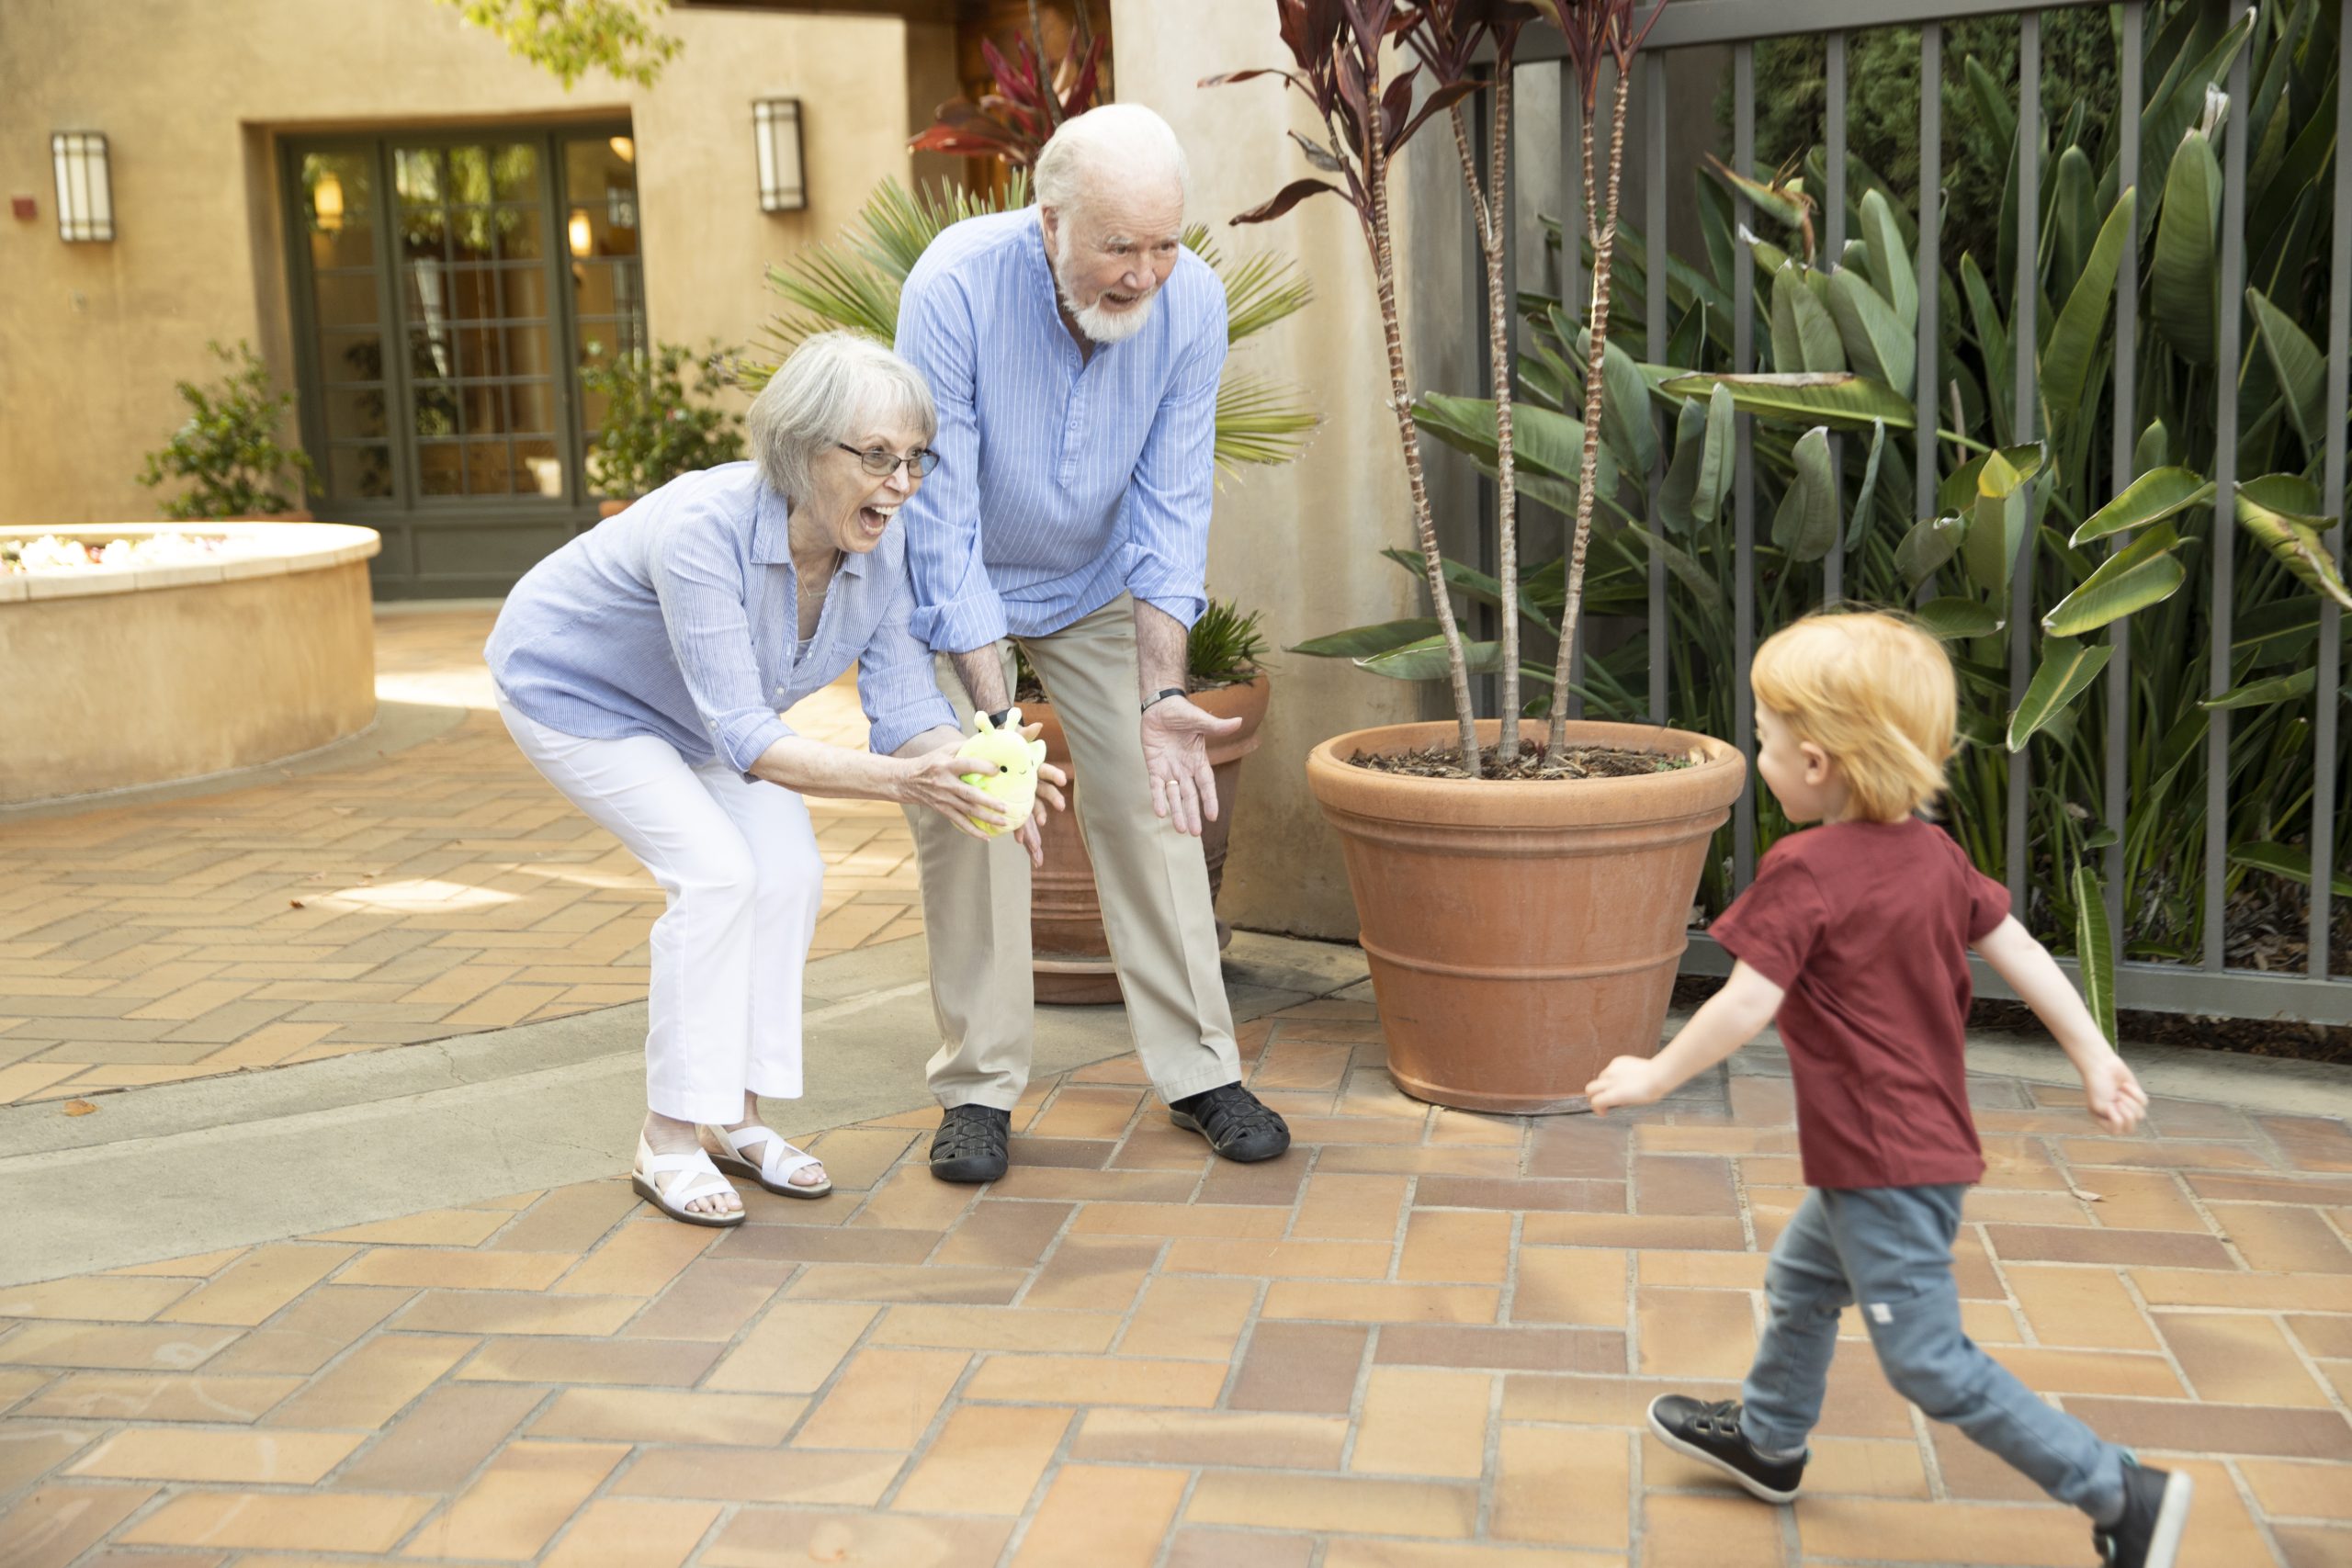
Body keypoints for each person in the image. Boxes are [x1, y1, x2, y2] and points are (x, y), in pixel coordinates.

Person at [1583, 610, 2191, 1568]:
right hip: (1904, 1147)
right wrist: (2092, 1052)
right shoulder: (1933, 854)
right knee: (1803, 1280)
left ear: (1816, 761)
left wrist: (1655, 1072)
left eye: (1764, 738)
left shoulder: (1805, 869)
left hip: (1883, 1164)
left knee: (1926, 1361)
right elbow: (2019, 948)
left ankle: (2118, 1491)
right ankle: (1770, 1441)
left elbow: (1746, 1004)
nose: (1761, 751)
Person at [484, 333, 1062, 1227]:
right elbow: (749, 735)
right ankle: (667, 1137)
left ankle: (735, 1119)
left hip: (704, 716)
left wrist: (986, 772)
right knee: (717, 876)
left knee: (789, 873)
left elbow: (907, 702)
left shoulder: (881, 547)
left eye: (914, 459)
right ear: (799, 449)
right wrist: (905, 784)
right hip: (577, 693)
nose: (901, 483)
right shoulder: (701, 530)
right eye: (876, 457)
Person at [889, 103, 1289, 1182]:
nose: (1145, 273)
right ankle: (977, 1091)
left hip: (1094, 583)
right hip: (951, 586)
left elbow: (1172, 504)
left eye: (1164, 242)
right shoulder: (956, 289)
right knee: (981, 810)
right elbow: (941, 519)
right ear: (1048, 219)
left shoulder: (1189, 301)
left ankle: (1200, 1068)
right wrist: (993, 725)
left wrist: (1163, 700)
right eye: (1120, 246)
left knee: (1153, 803)